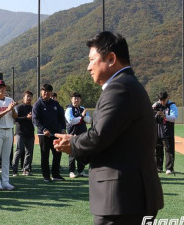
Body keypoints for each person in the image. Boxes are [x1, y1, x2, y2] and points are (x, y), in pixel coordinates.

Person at [53, 31, 164, 224]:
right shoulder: (129, 85)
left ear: (111, 58)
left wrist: (73, 143)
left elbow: (99, 136)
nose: (88, 67)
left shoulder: (119, 88)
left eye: (92, 60)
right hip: (131, 196)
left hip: (122, 199)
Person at [32, 84, 66, 182]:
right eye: (44, 91)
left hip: (56, 133)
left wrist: (63, 128)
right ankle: (46, 176)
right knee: (45, 155)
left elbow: (61, 117)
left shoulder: (55, 104)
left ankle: (55, 175)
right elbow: (35, 119)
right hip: (44, 134)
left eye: (48, 91)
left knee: (57, 153)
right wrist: (43, 129)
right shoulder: (37, 104)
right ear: (41, 92)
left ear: (51, 92)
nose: (46, 93)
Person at [65, 92, 91, 178]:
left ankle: (81, 171)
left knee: (82, 152)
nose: (76, 100)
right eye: (74, 98)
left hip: (83, 134)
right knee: (72, 153)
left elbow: (88, 120)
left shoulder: (83, 108)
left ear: (80, 100)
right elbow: (71, 121)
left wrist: (83, 117)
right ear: (71, 99)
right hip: (73, 134)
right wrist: (81, 116)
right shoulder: (69, 109)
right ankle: (71, 171)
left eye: (78, 98)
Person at [152, 91, 178, 175]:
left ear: (167, 98)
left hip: (168, 131)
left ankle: (169, 168)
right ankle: (158, 167)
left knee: (169, 150)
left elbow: (174, 118)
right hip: (158, 130)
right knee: (158, 149)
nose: (162, 102)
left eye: (164, 100)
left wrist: (164, 115)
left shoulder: (172, 106)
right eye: (161, 100)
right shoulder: (156, 105)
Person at [12, 91, 34, 176]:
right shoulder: (19, 107)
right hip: (20, 133)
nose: (29, 98)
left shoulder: (33, 108)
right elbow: (15, 119)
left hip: (30, 133)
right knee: (19, 151)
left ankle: (26, 169)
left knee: (29, 152)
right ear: (23, 98)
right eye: (27, 96)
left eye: (30, 96)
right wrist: (26, 117)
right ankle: (14, 170)